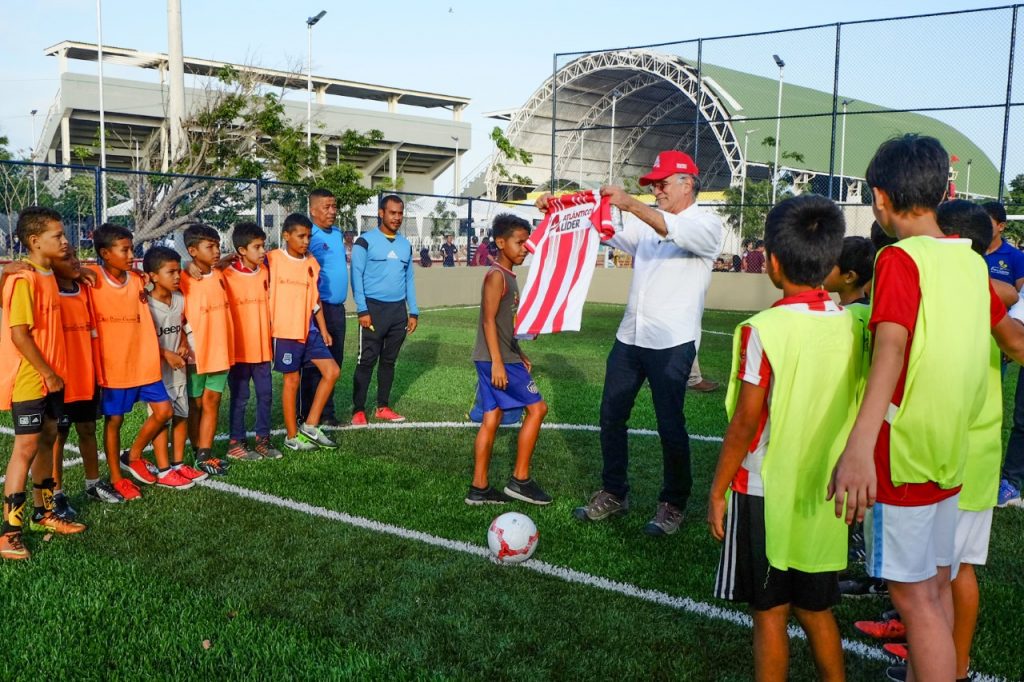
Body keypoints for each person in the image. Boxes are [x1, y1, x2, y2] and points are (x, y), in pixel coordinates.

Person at [828, 134, 1024, 682]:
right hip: (951, 456)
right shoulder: (969, 264)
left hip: (904, 454)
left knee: (917, 606)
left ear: (879, 197)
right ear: (943, 191)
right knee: (934, 593)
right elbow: (1010, 337)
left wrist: (859, 448)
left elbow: (889, 347)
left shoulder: (898, 260)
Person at [709, 194, 856, 682]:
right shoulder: (854, 326)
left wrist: (717, 488)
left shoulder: (763, 329)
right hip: (824, 491)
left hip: (763, 491)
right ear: (832, 261)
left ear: (771, 261)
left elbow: (746, 422)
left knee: (770, 612)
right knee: (816, 609)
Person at [552, 150, 722, 536]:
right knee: (611, 415)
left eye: (662, 183)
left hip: (672, 341)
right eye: (654, 185)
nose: (657, 190)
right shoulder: (648, 222)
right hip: (630, 335)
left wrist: (630, 202)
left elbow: (670, 228)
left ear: (688, 183)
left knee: (670, 424)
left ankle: (673, 503)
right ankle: (614, 491)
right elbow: (603, 229)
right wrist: (559, 206)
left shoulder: (707, 224)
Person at [934, 199, 1002, 682]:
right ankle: (953, 665)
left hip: (950, 449)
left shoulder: (964, 286)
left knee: (938, 576)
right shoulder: (983, 287)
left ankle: (941, 666)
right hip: (974, 446)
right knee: (958, 570)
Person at [1, 207, 86, 560]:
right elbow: (20, 335)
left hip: (53, 378)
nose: (65, 242)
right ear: (35, 242)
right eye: (58, 237)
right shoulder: (24, 279)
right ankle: (9, 532)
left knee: (50, 441)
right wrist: (48, 373)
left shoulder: (47, 273)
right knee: (25, 448)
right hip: (32, 380)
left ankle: (43, 513)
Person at [466, 214, 550, 506]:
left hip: (500, 356)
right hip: (496, 360)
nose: (526, 247)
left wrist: (520, 350)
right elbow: (488, 322)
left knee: (492, 418)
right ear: (501, 243)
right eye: (520, 241)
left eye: (527, 241)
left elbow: (503, 325)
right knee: (538, 409)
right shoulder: (496, 276)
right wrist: (500, 362)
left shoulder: (509, 276)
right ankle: (520, 480)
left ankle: (479, 488)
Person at [88, 224, 174, 502]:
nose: (130, 254)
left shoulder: (138, 280)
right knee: (114, 422)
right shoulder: (91, 279)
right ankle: (116, 476)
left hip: (145, 362)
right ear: (105, 253)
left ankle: (133, 454)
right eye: (124, 249)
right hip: (115, 368)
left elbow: (167, 280)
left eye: (131, 248)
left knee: (164, 411)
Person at [51, 252, 119, 514]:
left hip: (86, 374)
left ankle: (93, 483)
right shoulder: (47, 291)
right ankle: (55, 493)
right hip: (60, 378)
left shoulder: (85, 290)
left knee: (88, 428)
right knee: (59, 434)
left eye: (76, 259)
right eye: (67, 259)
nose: (76, 262)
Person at [267, 213, 339, 451]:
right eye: (301, 236)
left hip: (309, 330)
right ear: (286, 236)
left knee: (332, 371)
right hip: (285, 331)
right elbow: (245, 262)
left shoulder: (311, 263)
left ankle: (310, 425)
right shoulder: (273, 259)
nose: (306, 241)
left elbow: (314, 300)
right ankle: (291, 436)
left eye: (308, 236)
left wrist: (324, 329)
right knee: (292, 380)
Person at [350, 194, 419, 426]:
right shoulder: (364, 242)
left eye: (400, 213)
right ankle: (358, 410)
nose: (397, 218)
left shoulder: (405, 245)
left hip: (398, 312)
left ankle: (383, 406)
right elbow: (356, 277)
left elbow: (409, 279)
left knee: (389, 361)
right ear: (381, 213)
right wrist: (362, 309)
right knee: (366, 361)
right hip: (373, 309)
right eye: (392, 213)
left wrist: (414, 311)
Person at [142, 246, 207, 487]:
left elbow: (180, 326)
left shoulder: (179, 299)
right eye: (171, 272)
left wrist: (181, 344)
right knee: (162, 419)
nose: (178, 276)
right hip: (156, 373)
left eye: (178, 271)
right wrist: (164, 353)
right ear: (153, 276)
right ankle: (162, 469)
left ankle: (178, 464)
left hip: (178, 371)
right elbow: (142, 339)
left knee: (182, 415)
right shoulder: (145, 304)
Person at [223, 222, 281, 461]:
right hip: (238, 350)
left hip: (262, 349)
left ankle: (263, 440)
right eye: (256, 247)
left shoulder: (265, 272)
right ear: (241, 250)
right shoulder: (225, 275)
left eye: (263, 246)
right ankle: (236, 442)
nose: (262, 251)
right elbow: (194, 272)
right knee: (240, 397)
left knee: (266, 394)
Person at [180, 224, 234, 473]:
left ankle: (204, 454)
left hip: (220, 350)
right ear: (192, 250)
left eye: (217, 246)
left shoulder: (221, 274)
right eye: (209, 246)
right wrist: (183, 264)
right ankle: (193, 448)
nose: (216, 251)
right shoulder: (182, 278)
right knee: (195, 404)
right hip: (194, 353)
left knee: (213, 401)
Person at [301, 189, 347, 428]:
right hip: (318, 309)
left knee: (335, 361)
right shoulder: (309, 236)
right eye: (326, 207)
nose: (332, 211)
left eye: (334, 206)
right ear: (313, 210)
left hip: (338, 309)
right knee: (314, 364)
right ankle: (307, 412)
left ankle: (327, 413)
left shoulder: (337, 233)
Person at [982, 201, 1024, 291]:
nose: (981, 227)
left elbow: (1021, 297)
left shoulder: (1017, 257)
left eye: (986, 223)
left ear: (1001, 226)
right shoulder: (970, 251)